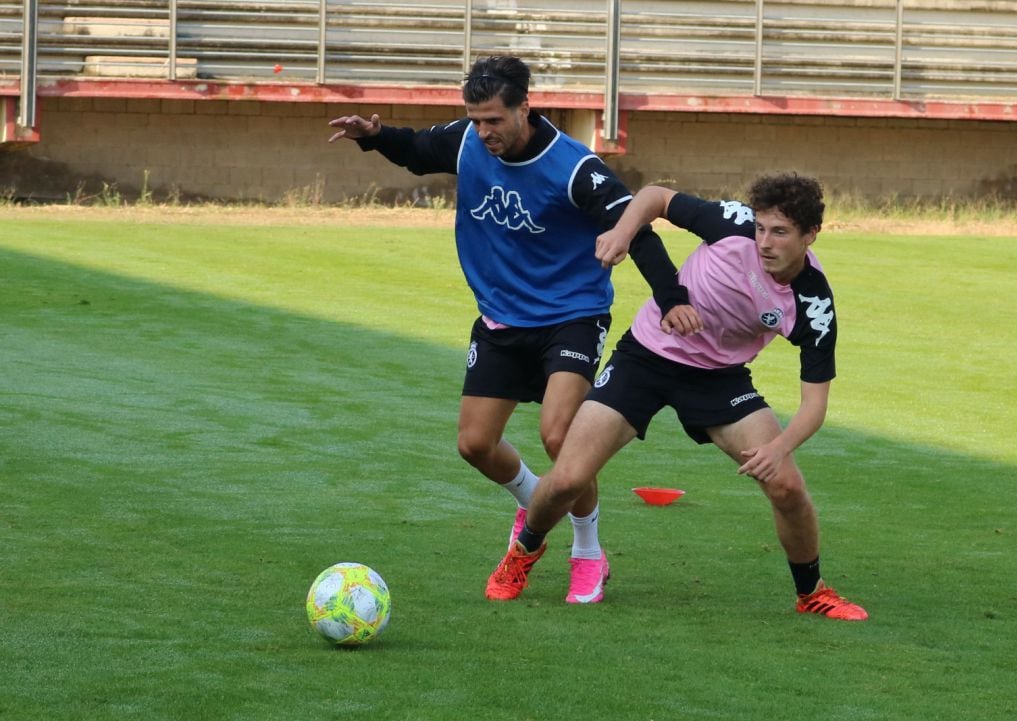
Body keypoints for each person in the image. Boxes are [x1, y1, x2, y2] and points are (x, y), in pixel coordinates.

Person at [327, 56, 694, 604]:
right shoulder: (469, 141)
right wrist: (375, 135)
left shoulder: (575, 168)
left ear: (526, 106)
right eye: (475, 119)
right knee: (475, 444)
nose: (483, 132)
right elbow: (416, 152)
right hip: (501, 317)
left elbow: (635, 228)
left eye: (494, 119)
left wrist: (671, 298)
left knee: (559, 435)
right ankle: (532, 498)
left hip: (571, 315)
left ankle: (587, 551)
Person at [485, 173, 869, 620]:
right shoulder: (732, 223)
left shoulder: (813, 302)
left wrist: (778, 447)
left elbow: (814, 406)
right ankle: (523, 552)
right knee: (569, 478)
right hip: (646, 357)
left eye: (780, 232)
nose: (764, 241)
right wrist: (622, 233)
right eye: (762, 227)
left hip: (718, 377)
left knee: (787, 485)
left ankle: (812, 593)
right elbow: (654, 197)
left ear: (810, 235)